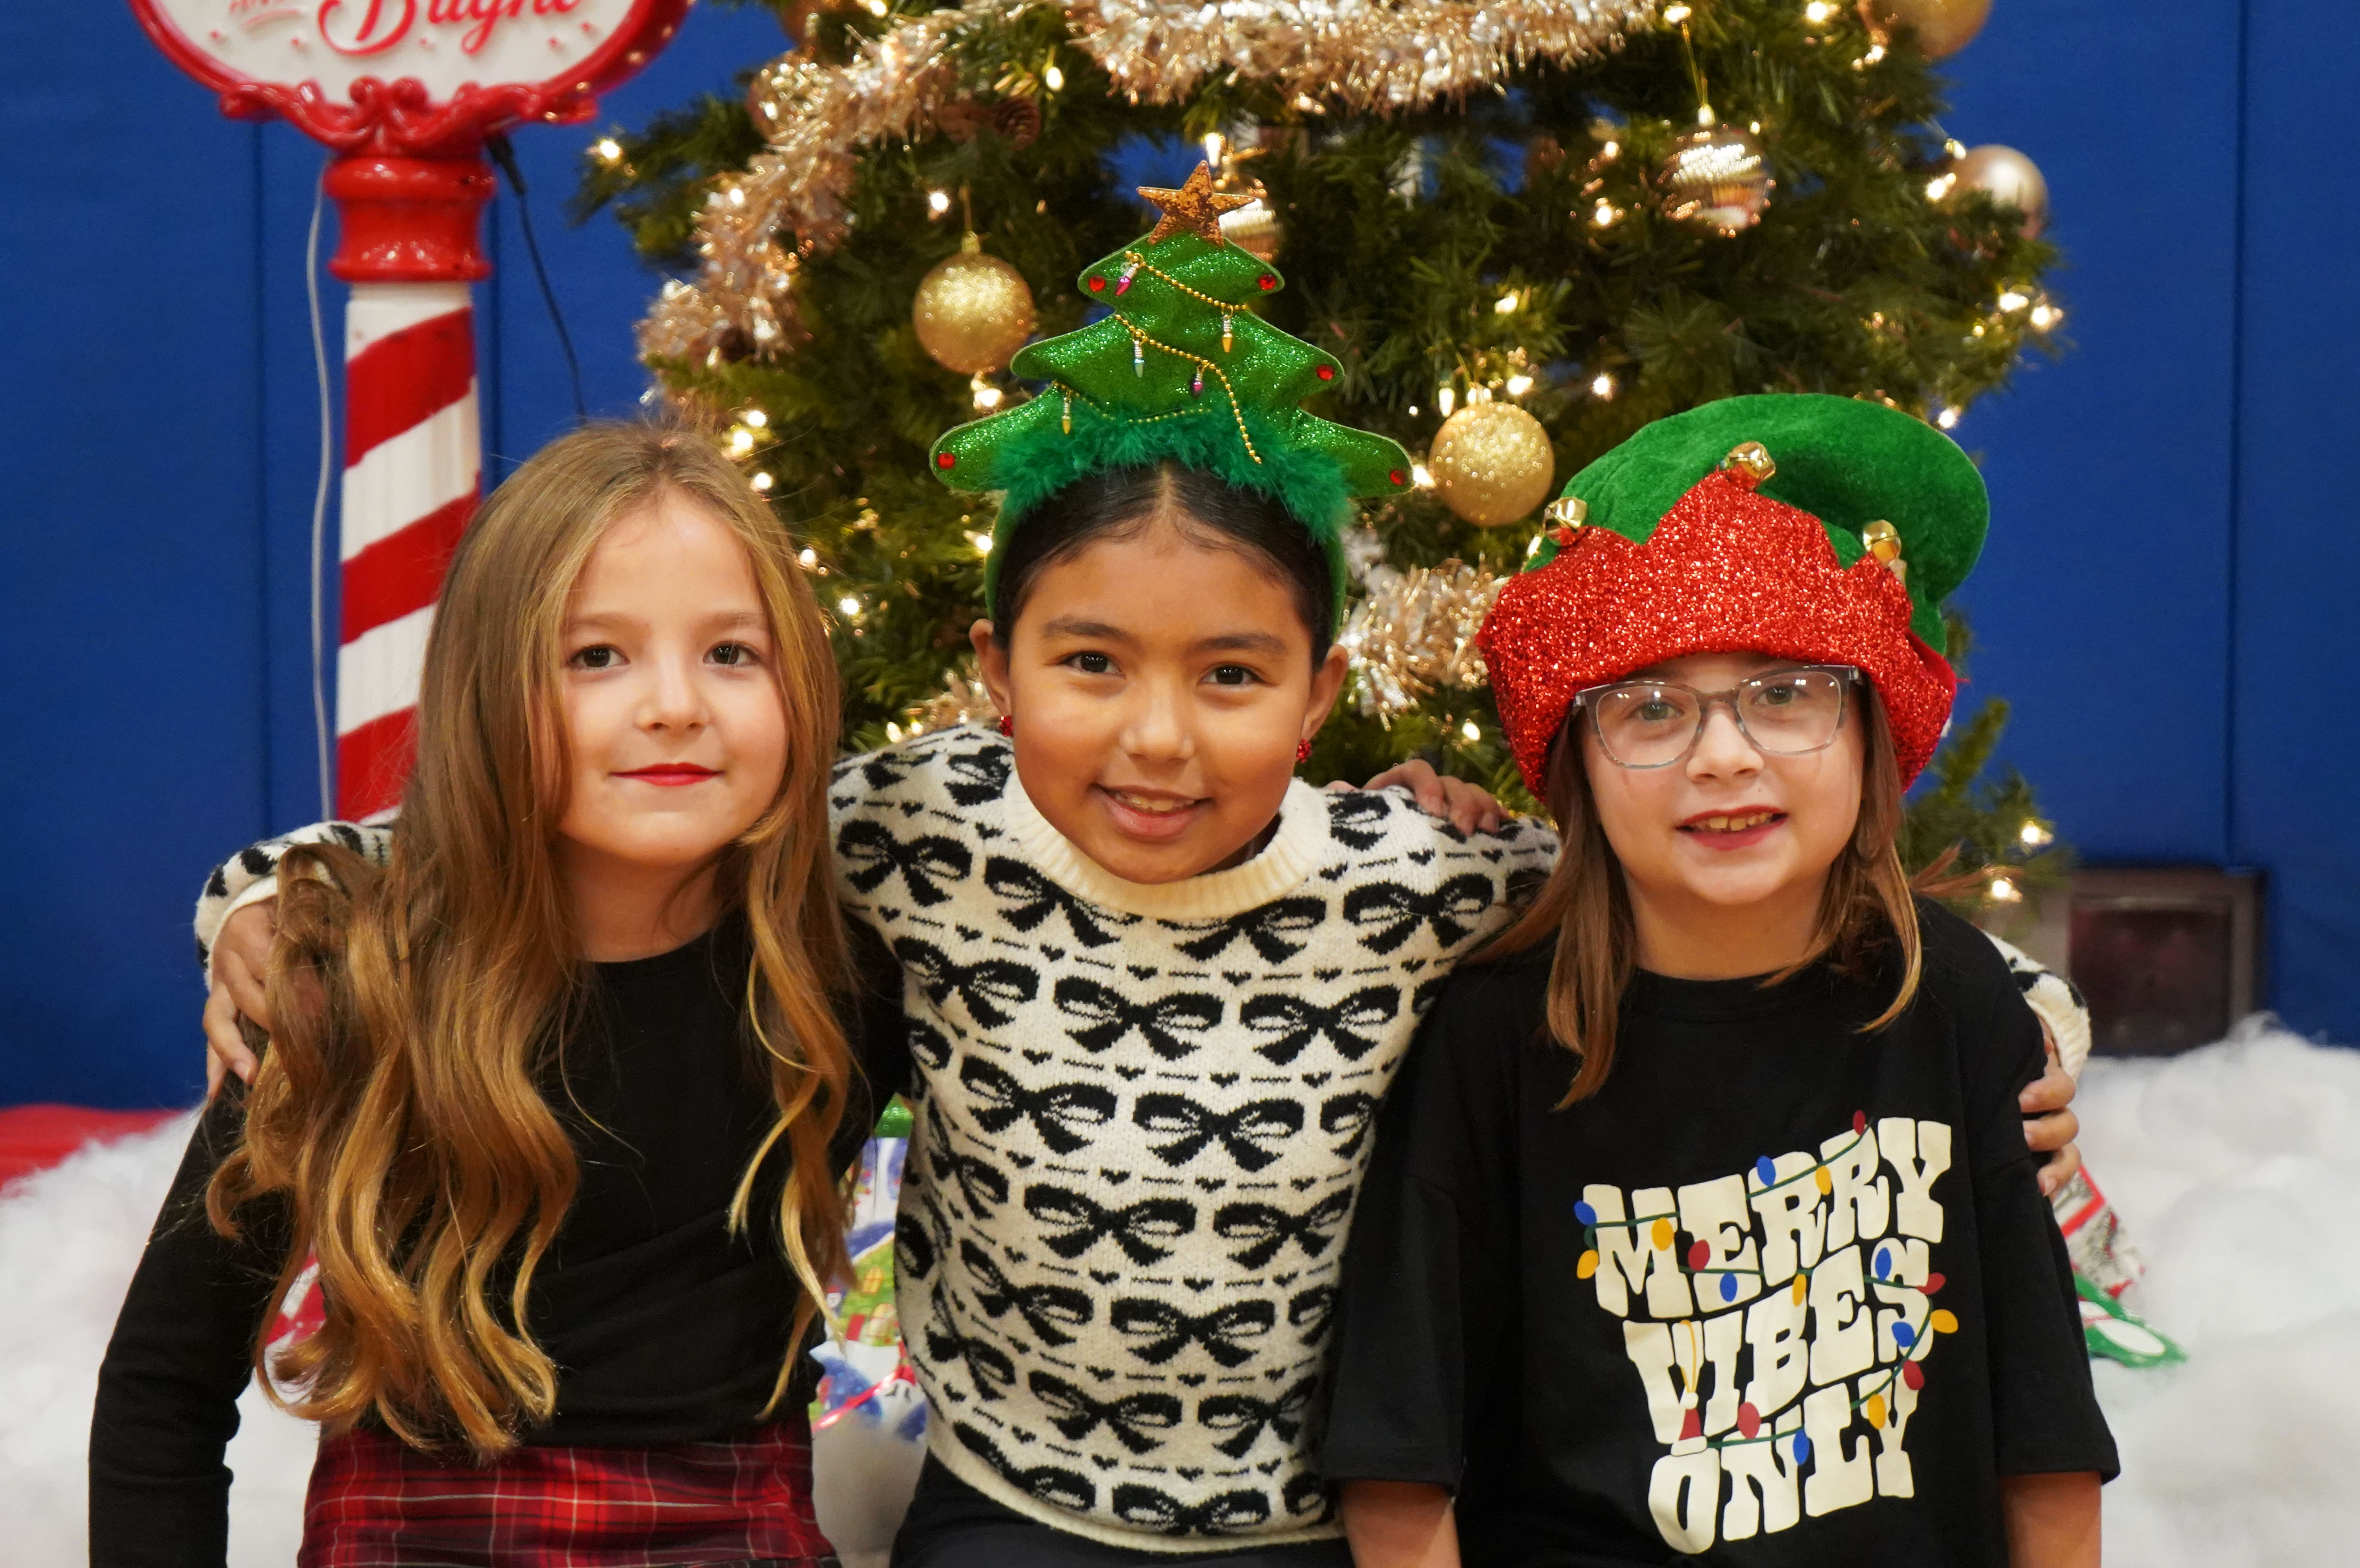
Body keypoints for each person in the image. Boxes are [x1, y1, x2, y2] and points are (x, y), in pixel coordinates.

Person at [184, 185, 2084, 1564]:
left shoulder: (1411, 876)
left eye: (1234, 678)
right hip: (1010, 1515)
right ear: (995, 674)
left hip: (1312, 1524)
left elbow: (1690, 894)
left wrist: (2038, 1027)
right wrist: (274, 894)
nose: (1157, 739)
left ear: (1325, 693)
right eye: (1091, 667)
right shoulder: (910, 833)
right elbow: (608, 808)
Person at [1324, 396, 2117, 1568]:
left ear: (1872, 731)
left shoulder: (1950, 1000)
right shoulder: (1499, 1033)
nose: (1725, 753)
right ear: (1575, 765)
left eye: (1785, 690)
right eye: (1649, 706)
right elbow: (1398, 1468)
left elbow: (2043, 1442)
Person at [92, 423, 899, 1568]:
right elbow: (164, 1391)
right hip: (413, 1532)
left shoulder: (845, 978)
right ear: (486, 693)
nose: (675, 704)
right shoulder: (351, 978)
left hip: (734, 1525)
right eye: (595, 657)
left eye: (732, 652)